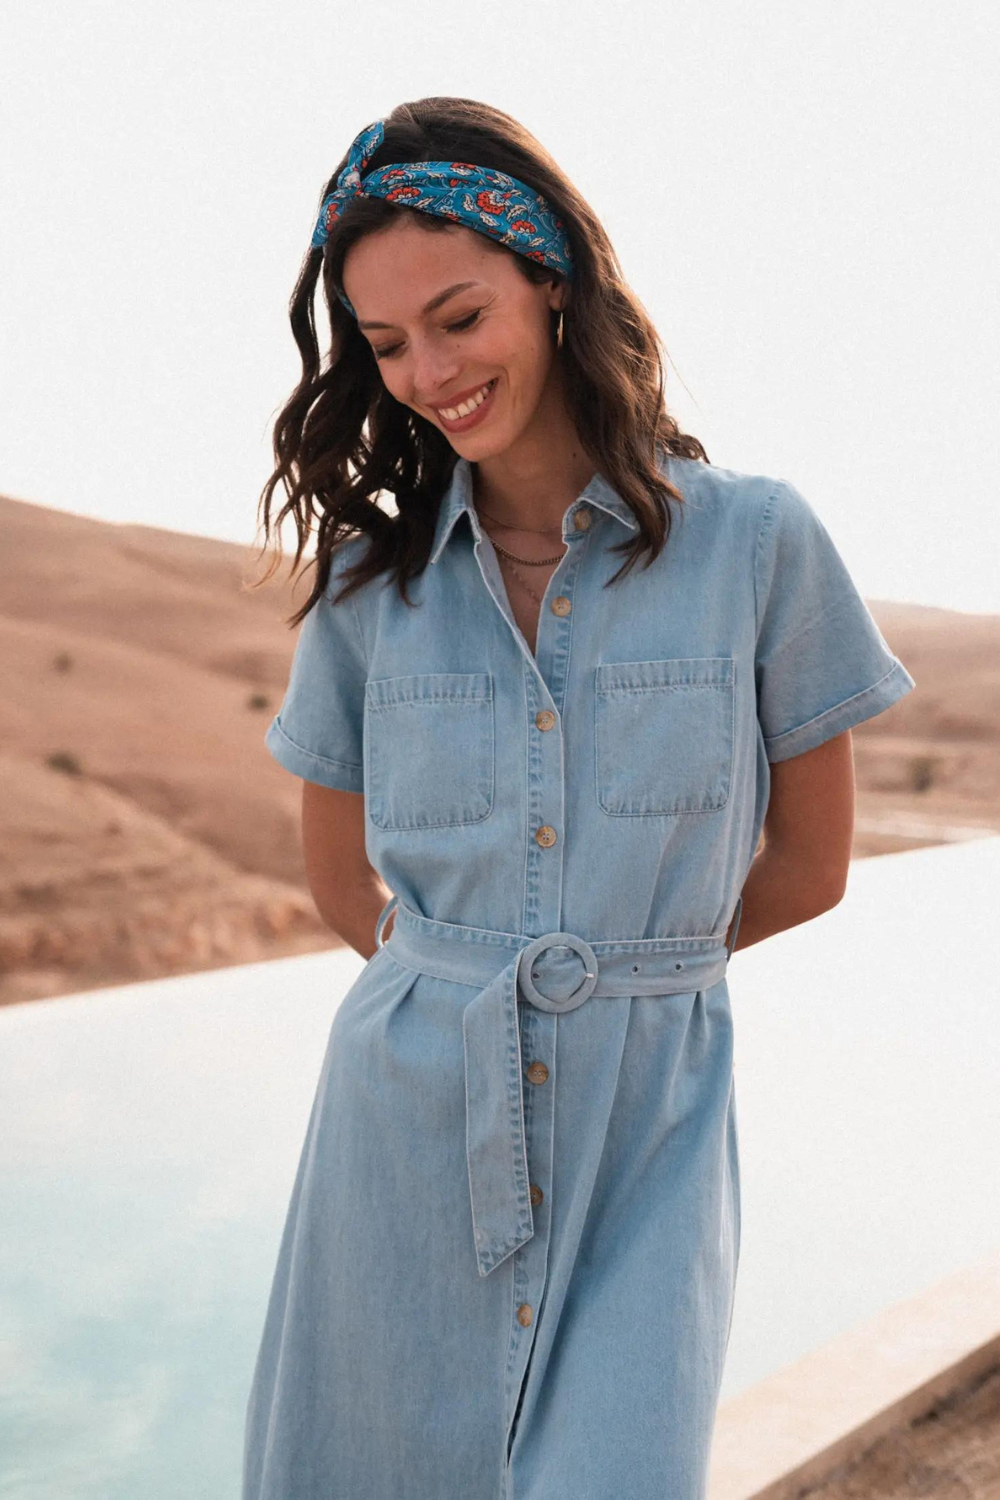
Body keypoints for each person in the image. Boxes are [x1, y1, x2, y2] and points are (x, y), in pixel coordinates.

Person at [242, 98, 916, 1500]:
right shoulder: (375, 590)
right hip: (406, 1116)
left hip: (648, 1129)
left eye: (458, 316)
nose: (428, 370)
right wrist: (464, 991)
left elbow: (811, 865)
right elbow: (332, 880)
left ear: (548, 282)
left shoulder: (759, 543)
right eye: (385, 346)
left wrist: (614, 982)